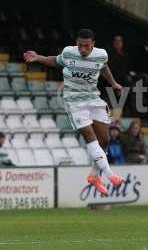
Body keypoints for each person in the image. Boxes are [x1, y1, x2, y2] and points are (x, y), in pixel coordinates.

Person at [24, 28, 124, 196]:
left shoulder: (101, 54)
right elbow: (56, 61)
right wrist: (38, 57)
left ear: (93, 44)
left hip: (93, 98)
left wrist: (114, 83)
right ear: (76, 43)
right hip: (73, 101)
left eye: (86, 46)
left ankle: (94, 176)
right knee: (90, 138)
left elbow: (104, 67)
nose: (82, 49)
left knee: (104, 139)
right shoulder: (69, 53)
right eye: (80, 46)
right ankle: (110, 175)